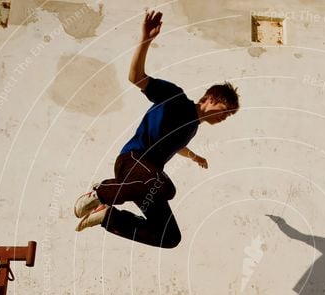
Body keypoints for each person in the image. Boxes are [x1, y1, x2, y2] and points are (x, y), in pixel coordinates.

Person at [74, 10, 240, 248]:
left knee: (170, 236)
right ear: (210, 99)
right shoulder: (176, 98)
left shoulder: (192, 128)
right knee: (167, 188)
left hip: (145, 181)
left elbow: (178, 145)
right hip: (132, 161)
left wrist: (194, 157)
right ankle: (99, 194)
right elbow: (136, 77)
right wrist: (146, 40)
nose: (226, 117)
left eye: (230, 115)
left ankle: (107, 216)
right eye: (226, 110)